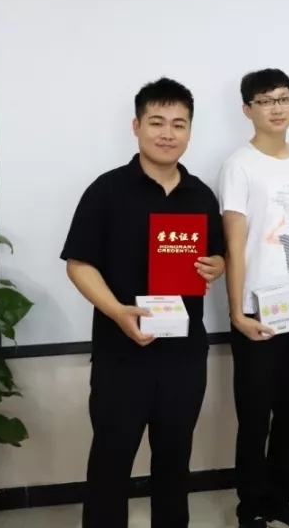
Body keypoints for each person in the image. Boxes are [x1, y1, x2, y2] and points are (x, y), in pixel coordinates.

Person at [60, 77, 227, 528]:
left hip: (183, 355)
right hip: (122, 353)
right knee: (111, 463)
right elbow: (78, 263)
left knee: (174, 463)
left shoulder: (201, 196)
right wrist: (117, 311)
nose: (167, 133)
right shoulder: (106, 190)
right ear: (136, 126)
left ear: (189, 131)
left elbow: (216, 257)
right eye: (157, 122)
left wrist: (217, 265)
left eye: (179, 124)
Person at [218, 69, 289, 528]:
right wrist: (236, 312)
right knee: (254, 416)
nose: (277, 108)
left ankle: (283, 498)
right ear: (248, 110)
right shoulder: (239, 165)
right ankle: (251, 506)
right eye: (265, 101)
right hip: (256, 310)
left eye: (284, 98)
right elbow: (234, 243)